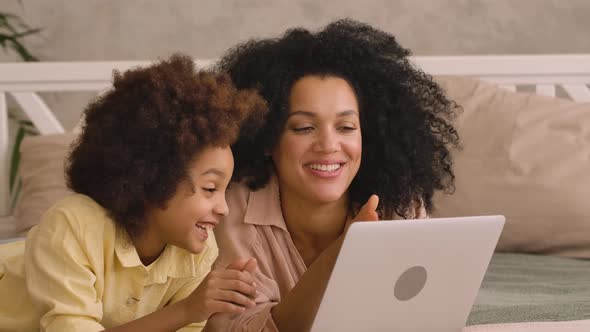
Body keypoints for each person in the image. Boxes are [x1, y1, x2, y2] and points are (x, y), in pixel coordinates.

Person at [203, 19, 460, 331]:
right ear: (268, 138)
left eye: (346, 127)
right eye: (304, 127)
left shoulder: (399, 205)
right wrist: (343, 255)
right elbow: (239, 329)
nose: (328, 145)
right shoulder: (230, 211)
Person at [0, 54, 267, 331]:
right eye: (210, 188)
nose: (223, 208)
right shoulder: (73, 227)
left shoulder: (196, 251)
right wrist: (186, 310)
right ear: (154, 178)